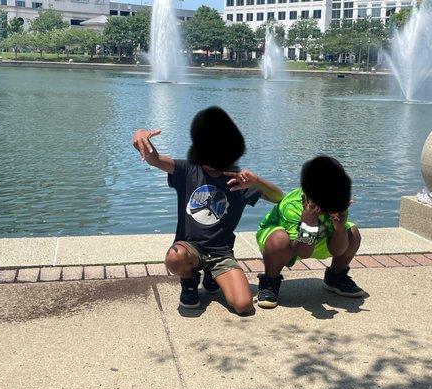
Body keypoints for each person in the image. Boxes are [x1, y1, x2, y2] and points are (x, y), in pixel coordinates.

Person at [132, 106, 283, 315]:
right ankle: (190, 282)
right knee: (175, 257)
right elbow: (155, 160)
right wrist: (140, 135)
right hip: (190, 248)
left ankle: (212, 275)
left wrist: (257, 182)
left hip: (221, 253)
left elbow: (279, 198)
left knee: (243, 305)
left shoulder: (238, 180)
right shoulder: (187, 170)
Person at [255, 155, 365, 309]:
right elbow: (301, 252)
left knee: (352, 233)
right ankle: (270, 282)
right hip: (290, 244)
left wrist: (340, 228)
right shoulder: (293, 206)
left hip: (316, 240)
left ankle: (336, 277)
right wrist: (308, 222)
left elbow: (337, 250)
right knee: (278, 240)